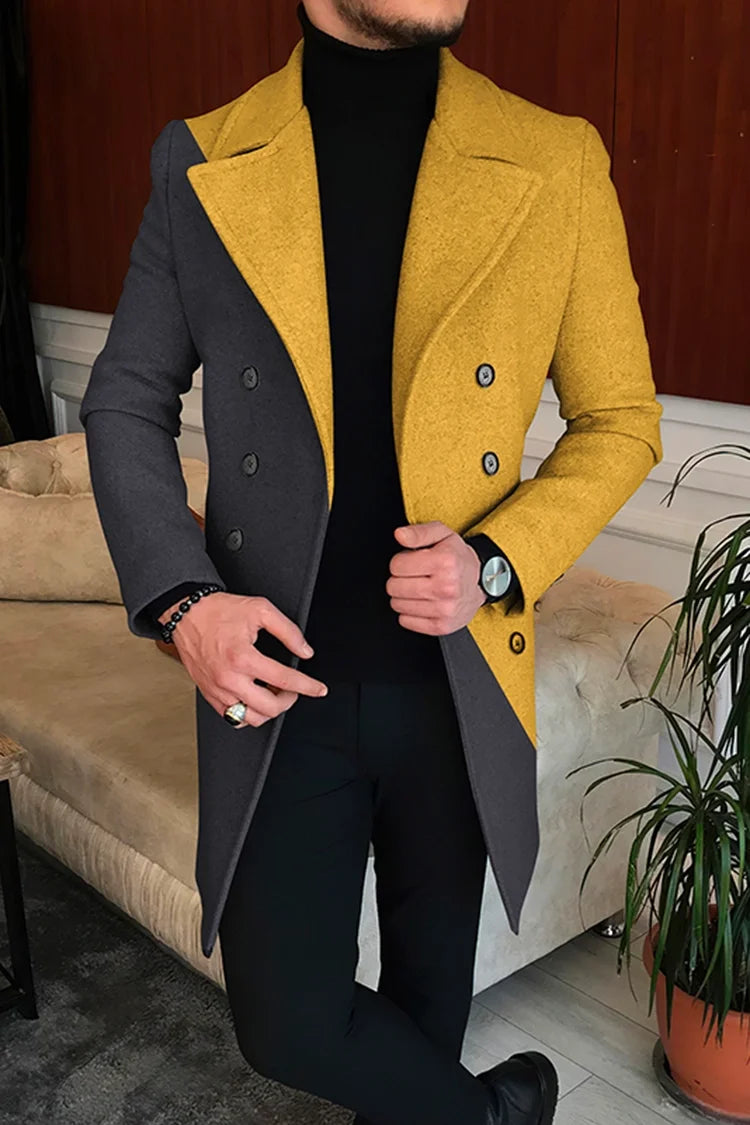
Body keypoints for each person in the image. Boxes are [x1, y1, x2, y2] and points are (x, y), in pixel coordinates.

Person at [80, 1, 663, 1122]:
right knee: (286, 1022)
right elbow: (123, 400)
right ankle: (497, 1112)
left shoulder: (555, 158)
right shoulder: (201, 159)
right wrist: (186, 603)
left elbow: (621, 418)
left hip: (456, 686)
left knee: (428, 1012)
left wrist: (495, 559)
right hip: (279, 685)